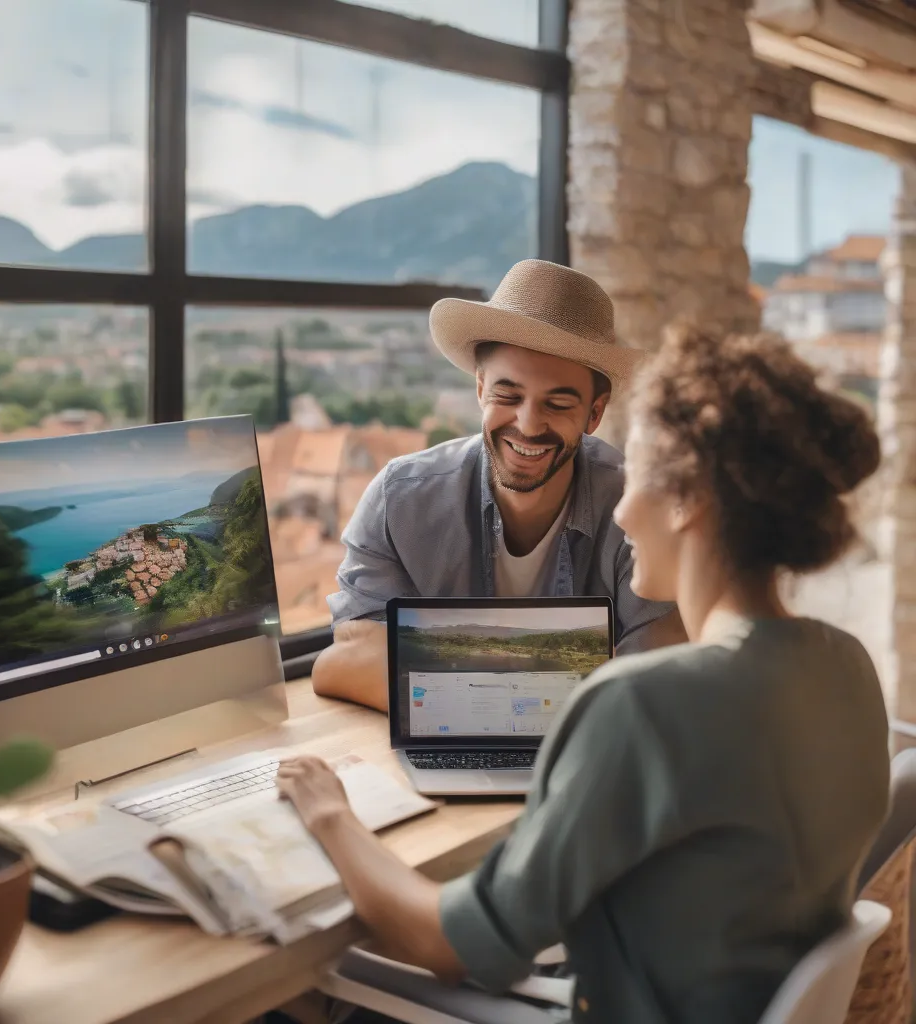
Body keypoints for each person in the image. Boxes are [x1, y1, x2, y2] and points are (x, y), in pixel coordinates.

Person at [278, 325, 891, 1024]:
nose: (622, 509)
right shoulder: (848, 667)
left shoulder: (642, 705)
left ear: (689, 501)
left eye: (645, 480)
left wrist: (328, 813)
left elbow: (448, 943)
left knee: (303, 993)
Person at [313, 259, 683, 711]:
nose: (528, 425)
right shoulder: (400, 500)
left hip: (585, 759)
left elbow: (657, 675)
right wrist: (565, 674)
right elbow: (345, 661)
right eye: (508, 396)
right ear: (480, 388)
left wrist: (436, 670)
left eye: (559, 404)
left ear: (595, 413)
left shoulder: (636, 506)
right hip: (474, 745)